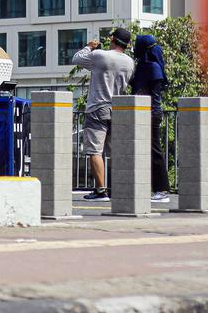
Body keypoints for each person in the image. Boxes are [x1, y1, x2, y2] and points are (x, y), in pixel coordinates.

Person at [71, 27, 135, 201]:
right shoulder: (129, 62)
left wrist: (89, 46)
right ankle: (118, 188)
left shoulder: (101, 55)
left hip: (98, 108)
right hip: (118, 108)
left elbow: (76, 58)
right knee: (116, 152)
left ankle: (100, 191)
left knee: (95, 151)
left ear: (113, 39)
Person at [131, 34, 171, 202]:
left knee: (155, 151)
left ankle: (161, 189)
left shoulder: (151, 67)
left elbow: (150, 93)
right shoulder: (147, 65)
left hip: (151, 113)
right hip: (146, 112)